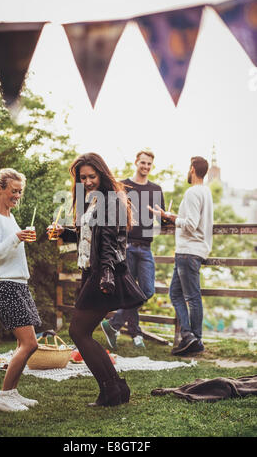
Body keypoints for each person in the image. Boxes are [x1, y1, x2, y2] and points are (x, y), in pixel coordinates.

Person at [51, 153, 146, 407]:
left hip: (105, 272)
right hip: (94, 271)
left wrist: (104, 275)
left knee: (78, 332)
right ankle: (115, 389)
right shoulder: (92, 200)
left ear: (102, 174)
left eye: (92, 176)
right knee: (83, 333)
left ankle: (112, 390)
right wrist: (66, 233)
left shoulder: (111, 200)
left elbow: (108, 243)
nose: (88, 180)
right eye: (83, 177)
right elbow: (90, 237)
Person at [0, 168, 41, 412]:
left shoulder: (9, 217)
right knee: (29, 344)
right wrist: (16, 238)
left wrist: (21, 237)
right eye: (13, 191)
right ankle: (4, 396)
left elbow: (10, 249)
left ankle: (12, 392)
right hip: (5, 286)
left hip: (18, 284)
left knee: (24, 344)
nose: (17, 196)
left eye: (20, 191)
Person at [101, 149, 166, 348]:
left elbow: (162, 218)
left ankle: (114, 324)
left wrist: (166, 216)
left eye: (149, 164)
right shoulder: (123, 186)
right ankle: (135, 333)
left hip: (146, 247)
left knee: (146, 290)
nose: (146, 167)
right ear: (136, 162)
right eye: (143, 163)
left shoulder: (156, 189)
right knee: (129, 290)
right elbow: (111, 213)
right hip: (126, 246)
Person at [149, 156, 213, 355]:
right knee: (175, 294)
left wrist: (171, 218)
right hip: (192, 250)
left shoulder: (193, 192)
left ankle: (195, 339)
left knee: (192, 297)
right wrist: (172, 217)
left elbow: (191, 224)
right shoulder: (206, 192)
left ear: (192, 169)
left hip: (188, 251)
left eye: (189, 167)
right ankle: (189, 336)